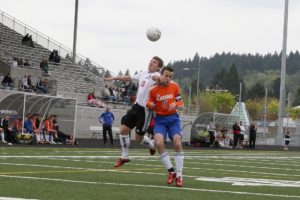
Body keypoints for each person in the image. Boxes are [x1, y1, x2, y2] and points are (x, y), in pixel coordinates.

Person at [104, 56, 163, 167]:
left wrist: (158, 78)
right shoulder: (143, 73)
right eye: (151, 60)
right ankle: (124, 157)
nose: (151, 62)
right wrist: (114, 78)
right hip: (136, 106)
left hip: (145, 111)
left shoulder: (158, 75)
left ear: (158, 67)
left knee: (138, 139)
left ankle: (151, 145)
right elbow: (129, 78)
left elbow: (161, 80)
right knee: (123, 131)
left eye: (154, 62)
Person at [146, 66, 184, 187]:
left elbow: (181, 102)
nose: (168, 79)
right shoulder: (153, 90)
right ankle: (170, 171)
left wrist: (176, 105)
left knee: (177, 143)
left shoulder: (175, 86)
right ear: (161, 75)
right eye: (166, 76)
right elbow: (148, 102)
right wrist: (150, 104)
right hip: (160, 121)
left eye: (170, 77)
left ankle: (179, 175)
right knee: (158, 142)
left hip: (173, 119)